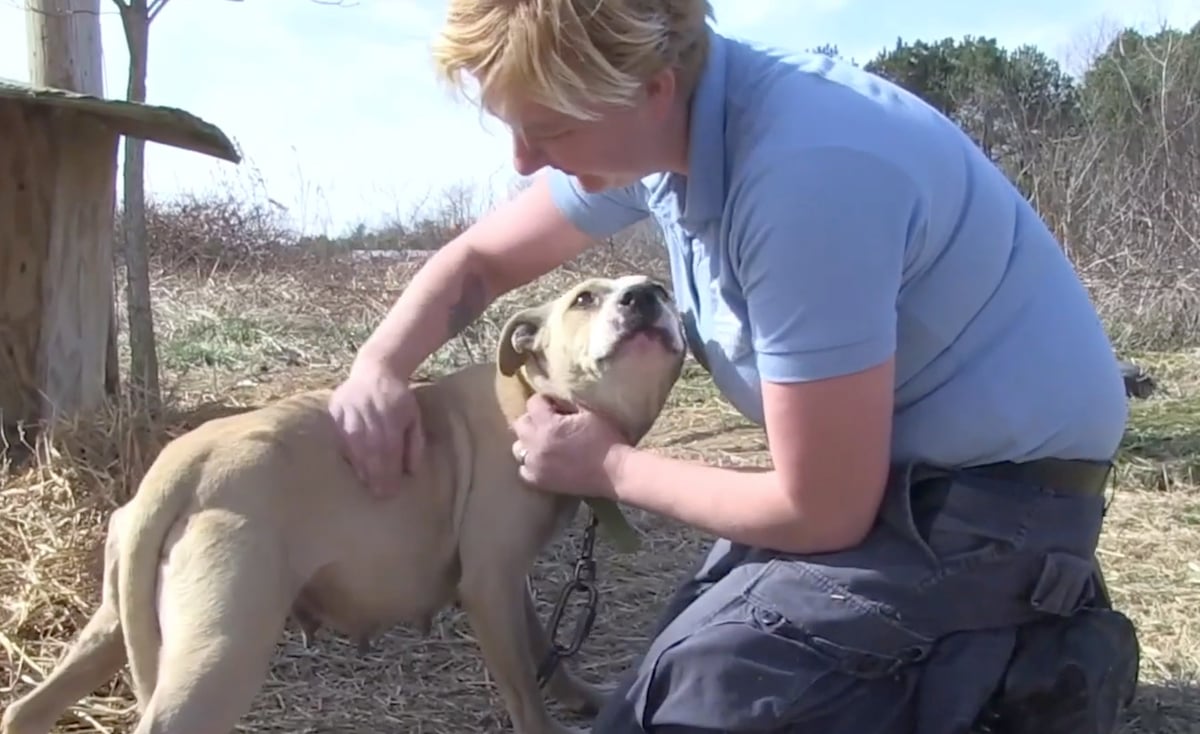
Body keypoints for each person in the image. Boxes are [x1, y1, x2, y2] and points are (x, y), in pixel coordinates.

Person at [328, 1, 1142, 732]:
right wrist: (379, 368)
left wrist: (607, 468)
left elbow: (822, 512)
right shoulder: (669, 131)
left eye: (549, 129)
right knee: (656, 697)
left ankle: (1018, 648)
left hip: (998, 500)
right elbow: (480, 262)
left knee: (698, 704)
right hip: (898, 485)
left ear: (650, 87)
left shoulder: (804, 175)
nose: (522, 160)